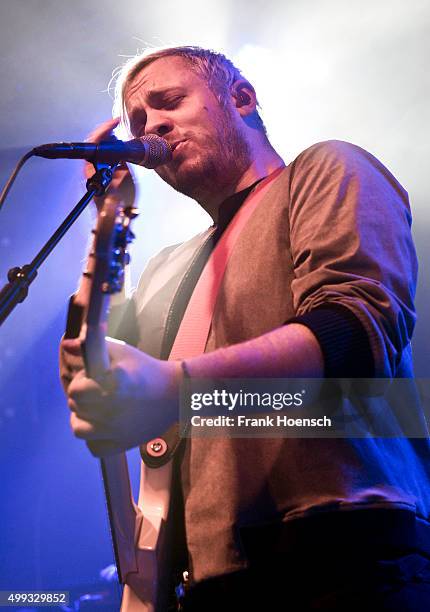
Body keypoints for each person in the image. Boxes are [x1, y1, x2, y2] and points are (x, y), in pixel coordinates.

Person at [60, 46, 430, 610]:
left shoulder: (326, 168)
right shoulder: (165, 267)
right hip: (213, 577)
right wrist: (105, 218)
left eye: (169, 102)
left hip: (346, 549)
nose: (151, 125)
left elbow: (357, 330)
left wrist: (177, 388)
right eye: (137, 121)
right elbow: (100, 374)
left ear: (242, 98)